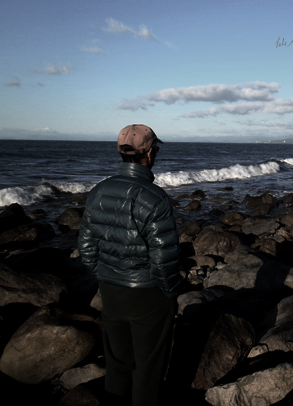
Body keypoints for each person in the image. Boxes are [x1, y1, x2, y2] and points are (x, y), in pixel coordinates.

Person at [78, 124, 184, 406]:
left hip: (111, 289)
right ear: (149, 154)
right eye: (156, 150)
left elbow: (86, 247)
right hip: (147, 294)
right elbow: (164, 259)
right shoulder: (155, 197)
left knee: (117, 361)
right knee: (148, 368)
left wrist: (104, 274)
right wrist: (171, 291)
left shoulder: (99, 190)